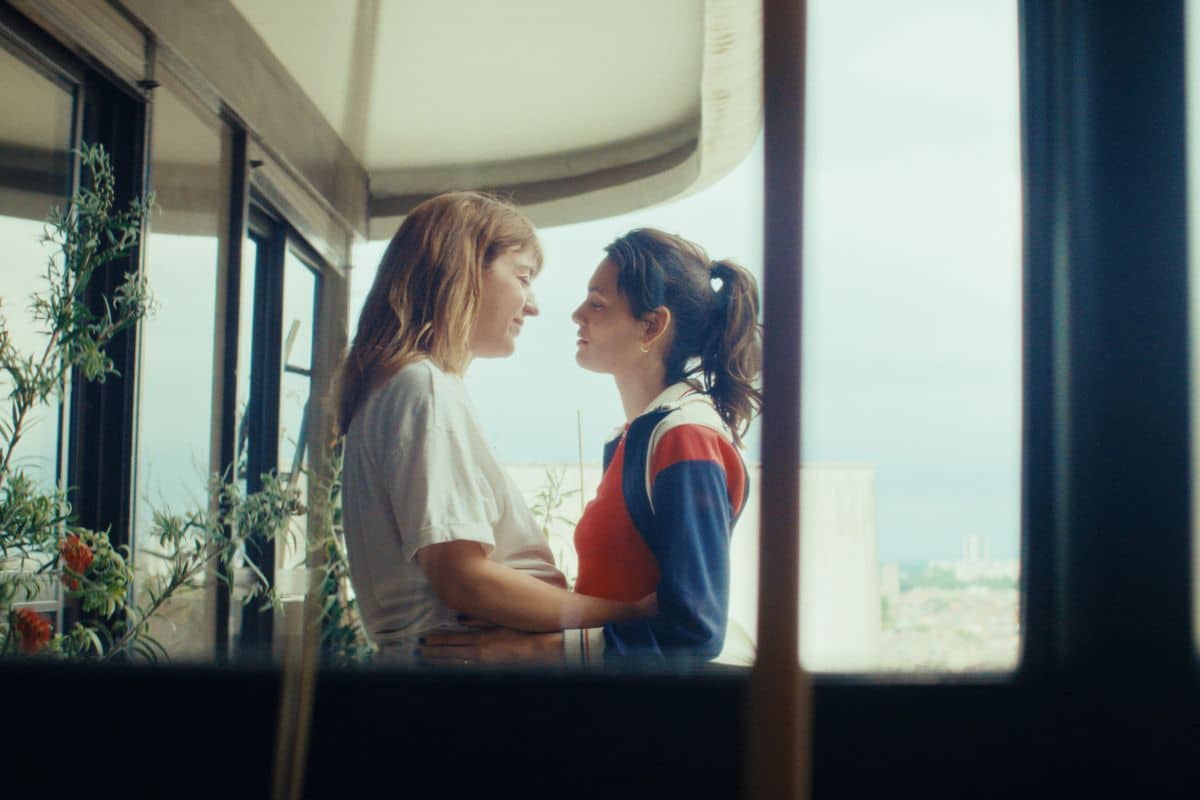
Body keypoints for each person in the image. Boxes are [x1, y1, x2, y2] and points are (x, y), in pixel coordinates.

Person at [419, 227, 762, 666]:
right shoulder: (636, 437)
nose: (577, 314)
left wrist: (532, 650)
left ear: (652, 325)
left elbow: (696, 630)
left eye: (598, 304)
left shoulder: (684, 438)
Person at [335, 191, 649, 664]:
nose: (534, 305)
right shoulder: (422, 387)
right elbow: (462, 578)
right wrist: (629, 617)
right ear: (462, 271)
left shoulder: (396, 387)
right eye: (523, 278)